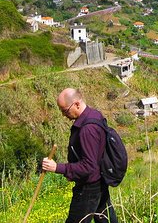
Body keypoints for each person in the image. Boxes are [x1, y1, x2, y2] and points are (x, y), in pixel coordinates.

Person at [42, 88, 118, 223]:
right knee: (106, 220)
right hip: (100, 182)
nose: (63, 115)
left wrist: (57, 167)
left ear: (76, 104)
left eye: (65, 110)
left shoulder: (87, 129)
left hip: (88, 187)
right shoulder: (95, 115)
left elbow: (88, 166)